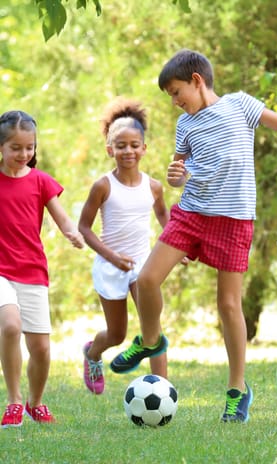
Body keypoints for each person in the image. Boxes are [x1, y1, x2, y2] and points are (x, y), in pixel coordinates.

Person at [110, 49, 277, 423]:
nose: (174, 102)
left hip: (233, 220)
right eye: (169, 96)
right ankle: (149, 340)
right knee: (148, 279)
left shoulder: (241, 106)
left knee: (229, 306)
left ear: (197, 81)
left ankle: (237, 390)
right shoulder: (185, 125)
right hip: (191, 213)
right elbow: (181, 170)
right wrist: (176, 177)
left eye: (176, 91)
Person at [78, 97, 170, 394]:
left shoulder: (153, 187)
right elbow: (84, 228)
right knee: (117, 334)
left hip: (143, 266)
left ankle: (163, 388)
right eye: (120, 145)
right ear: (110, 150)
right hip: (110, 265)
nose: (127, 151)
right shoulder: (103, 186)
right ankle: (93, 353)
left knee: (152, 327)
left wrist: (174, 247)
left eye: (134, 145)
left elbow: (163, 217)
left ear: (144, 148)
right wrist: (112, 256)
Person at [0, 110, 84, 428]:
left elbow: (60, 215)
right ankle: (14, 401)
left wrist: (72, 232)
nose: (23, 154)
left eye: (29, 147)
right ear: (1, 147)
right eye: (15, 148)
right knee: (9, 325)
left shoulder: (41, 181)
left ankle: (35, 402)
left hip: (32, 270)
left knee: (41, 349)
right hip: (1, 272)